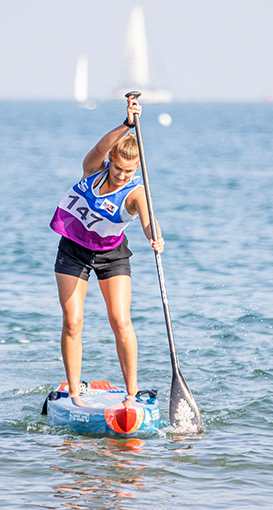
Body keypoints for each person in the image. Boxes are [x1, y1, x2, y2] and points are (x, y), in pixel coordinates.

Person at [49, 94, 164, 401]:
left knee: (120, 321)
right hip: (73, 251)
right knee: (73, 321)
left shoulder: (136, 191)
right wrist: (127, 124)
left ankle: (131, 393)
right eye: (118, 169)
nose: (122, 175)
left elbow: (149, 219)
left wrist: (156, 236)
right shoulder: (92, 169)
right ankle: (74, 394)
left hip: (112, 256)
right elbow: (101, 146)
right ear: (112, 160)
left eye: (129, 171)